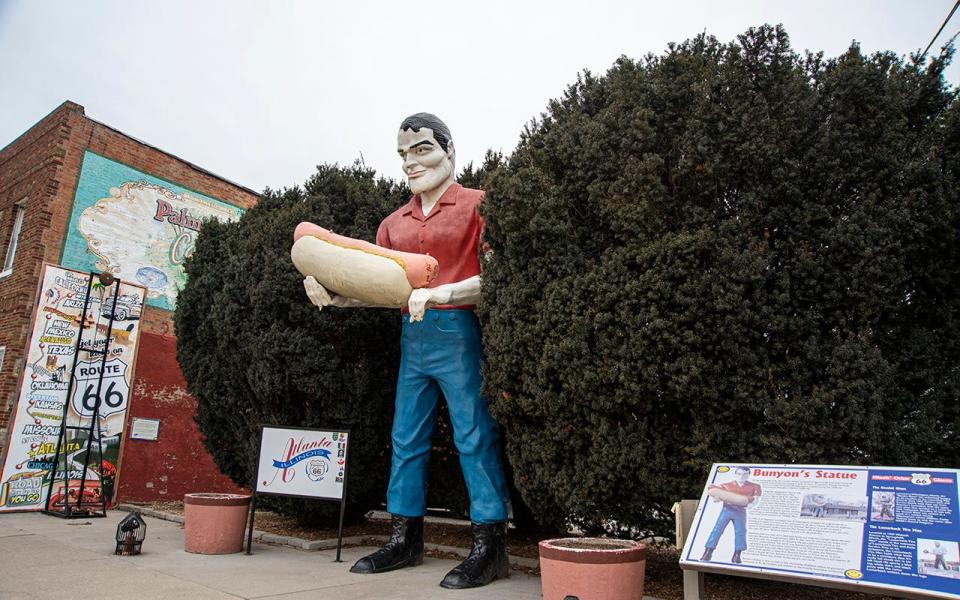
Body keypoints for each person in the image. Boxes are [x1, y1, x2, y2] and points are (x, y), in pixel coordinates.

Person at [302, 113, 510, 589]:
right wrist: (336, 296)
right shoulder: (392, 223)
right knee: (407, 437)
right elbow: (382, 291)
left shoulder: (478, 205)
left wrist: (441, 294)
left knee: (473, 434)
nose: (411, 163)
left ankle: (489, 543)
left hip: (458, 332)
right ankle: (404, 537)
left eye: (422, 151)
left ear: (448, 151)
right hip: (412, 340)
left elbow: (498, 277)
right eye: (403, 154)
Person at [700, 466, 761, 564]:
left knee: (740, 532)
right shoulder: (726, 485)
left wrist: (750, 506)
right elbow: (716, 496)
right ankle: (708, 551)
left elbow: (756, 499)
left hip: (740, 511)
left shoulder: (754, 486)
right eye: (739, 474)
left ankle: (737, 554)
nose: (742, 476)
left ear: (748, 475)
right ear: (735, 475)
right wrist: (716, 496)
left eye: (745, 474)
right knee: (717, 530)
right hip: (727, 509)